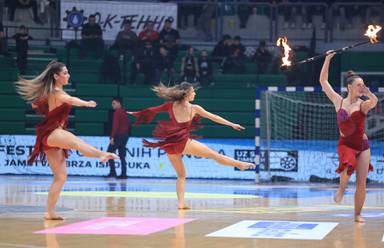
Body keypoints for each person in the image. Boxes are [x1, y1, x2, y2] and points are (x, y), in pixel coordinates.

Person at [16, 60, 118, 220]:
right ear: (56, 76)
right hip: (53, 132)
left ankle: (49, 212)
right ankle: (101, 154)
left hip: (50, 136)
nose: (68, 75)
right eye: (65, 73)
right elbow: (70, 100)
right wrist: (87, 103)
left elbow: (38, 105)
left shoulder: (52, 92)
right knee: (77, 143)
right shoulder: (57, 93)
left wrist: (40, 103)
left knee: (60, 177)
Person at [128, 82, 255, 209]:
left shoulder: (170, 106)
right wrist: (231, 124)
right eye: (193, 91)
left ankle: (181, 203)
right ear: (187, 94)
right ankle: (240, 164)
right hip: (183, 142)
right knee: (214, 155)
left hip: (170, 144)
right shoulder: (194, 108)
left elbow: (151, 110)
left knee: (181, 175)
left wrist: (136, 113)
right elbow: (214, 117)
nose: (195, 93)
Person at [319, 52, 378, 223]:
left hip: (363, 145)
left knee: (362, 183)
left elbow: (374, 102)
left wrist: (369, 93)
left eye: (363, 85)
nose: (362, 87)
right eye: (359, 85)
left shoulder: (363, 104)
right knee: (346, 166)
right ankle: (341, 189)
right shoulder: (338, 101)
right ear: (350, 87)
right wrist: (328, 59)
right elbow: (323, 81)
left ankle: (357, 214)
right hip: (346, 144)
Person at [107, 97, 130, 179]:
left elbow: (115, 126)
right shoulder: (124, 112)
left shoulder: (117, 112)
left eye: (114, 103)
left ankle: (113, 172)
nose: (112, 105)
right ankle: (124, 174)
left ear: (119, 103)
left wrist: (112, 137)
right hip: (125, 135)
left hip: (118, 135)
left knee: (109, 153)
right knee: (122, 155)